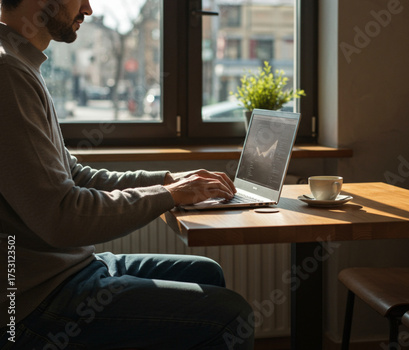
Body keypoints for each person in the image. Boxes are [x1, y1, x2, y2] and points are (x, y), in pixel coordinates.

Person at [0, 0, 254, 348]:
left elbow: (76, 176)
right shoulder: (8, 73)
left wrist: (169, 181)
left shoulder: (22, 65)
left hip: (68, 270)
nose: (88, 8)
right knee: (231, 315)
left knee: (206, 273)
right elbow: (60, 216)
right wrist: (170, 196)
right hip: (32, 301)